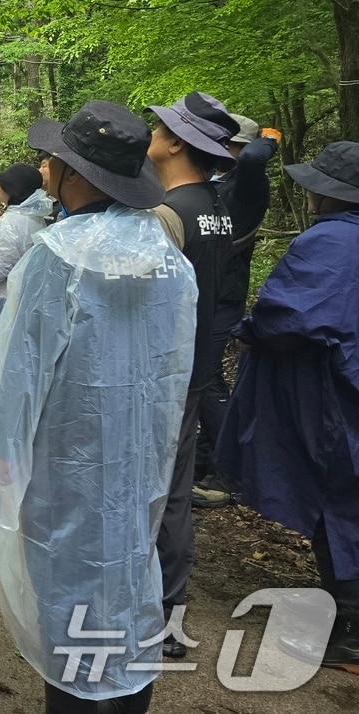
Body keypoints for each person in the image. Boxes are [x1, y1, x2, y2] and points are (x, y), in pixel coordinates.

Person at [0, 101, 197, 714]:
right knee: (128, 574)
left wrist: (3, 451)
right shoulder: (168, 255)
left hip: (65, 451)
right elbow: (173, 362)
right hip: (139, 449)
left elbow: (21, 367)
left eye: (53, 160)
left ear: (78, 175)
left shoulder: (57, 254)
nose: (44, 169)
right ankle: (127, 695)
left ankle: (74, 699)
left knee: (65, 579)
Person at [215, 141, 359, 674]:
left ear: (329, 194)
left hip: (329, 394)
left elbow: (291, 316)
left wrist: (249, 330)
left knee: (334, 498)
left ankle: (349, 633)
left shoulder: (331, 241)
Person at [146, 91, 239, 658]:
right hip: (198, 363)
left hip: (165, 371)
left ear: (178, 144)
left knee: (151, 488)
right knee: (175, 489)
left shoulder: (168, 215)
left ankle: (152, 609)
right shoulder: (215, 207)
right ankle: (169, 606)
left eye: (160, 128)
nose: (151, 134)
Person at [193, 114, 282, 508]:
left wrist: (270, 137)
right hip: (208, 291)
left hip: (224, 296)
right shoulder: (214, 183)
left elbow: (252, 158)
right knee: (201, 376)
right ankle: (208, 457)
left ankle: (230, 473)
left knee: (209, 379)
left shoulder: (246, 183)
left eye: (222, 143)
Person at [0, 163, 55, 387]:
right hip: (21, 299)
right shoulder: (32, 218)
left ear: (12, 190)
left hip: (2, 302)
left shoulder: (11, 222)